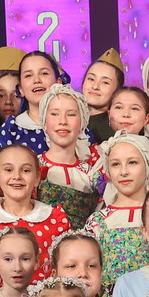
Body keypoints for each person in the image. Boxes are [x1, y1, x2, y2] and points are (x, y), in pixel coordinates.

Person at [0, 142, 72, 286]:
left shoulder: (55, 219)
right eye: (8, 170)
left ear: (37, 177)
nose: (17, 176)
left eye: (25, 170)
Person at [88, 132, 149, 296]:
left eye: (132, 162)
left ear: (148, 165)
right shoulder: (97, 221)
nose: (123, 171)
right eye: (116, 164)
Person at [36, 86, 101, 227]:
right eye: (54, 114)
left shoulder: (91, 174)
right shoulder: (32, 167)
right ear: (44, 122)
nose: (63, 121)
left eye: (71, 114)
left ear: (82, 123)